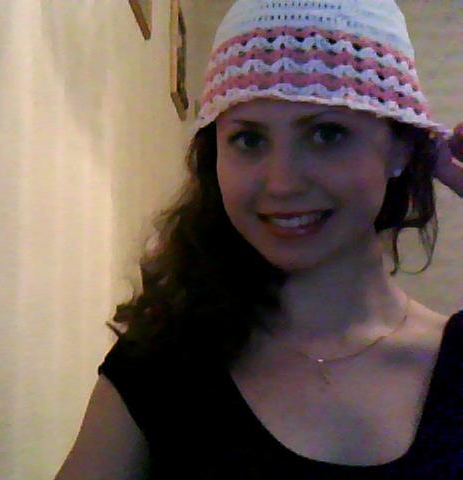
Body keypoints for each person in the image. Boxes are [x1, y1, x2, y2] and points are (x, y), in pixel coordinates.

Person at [55, 1, 463, 478]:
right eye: (249, 140)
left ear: (401, 149)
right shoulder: (161, 364)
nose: (282, 183)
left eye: (327, 134)